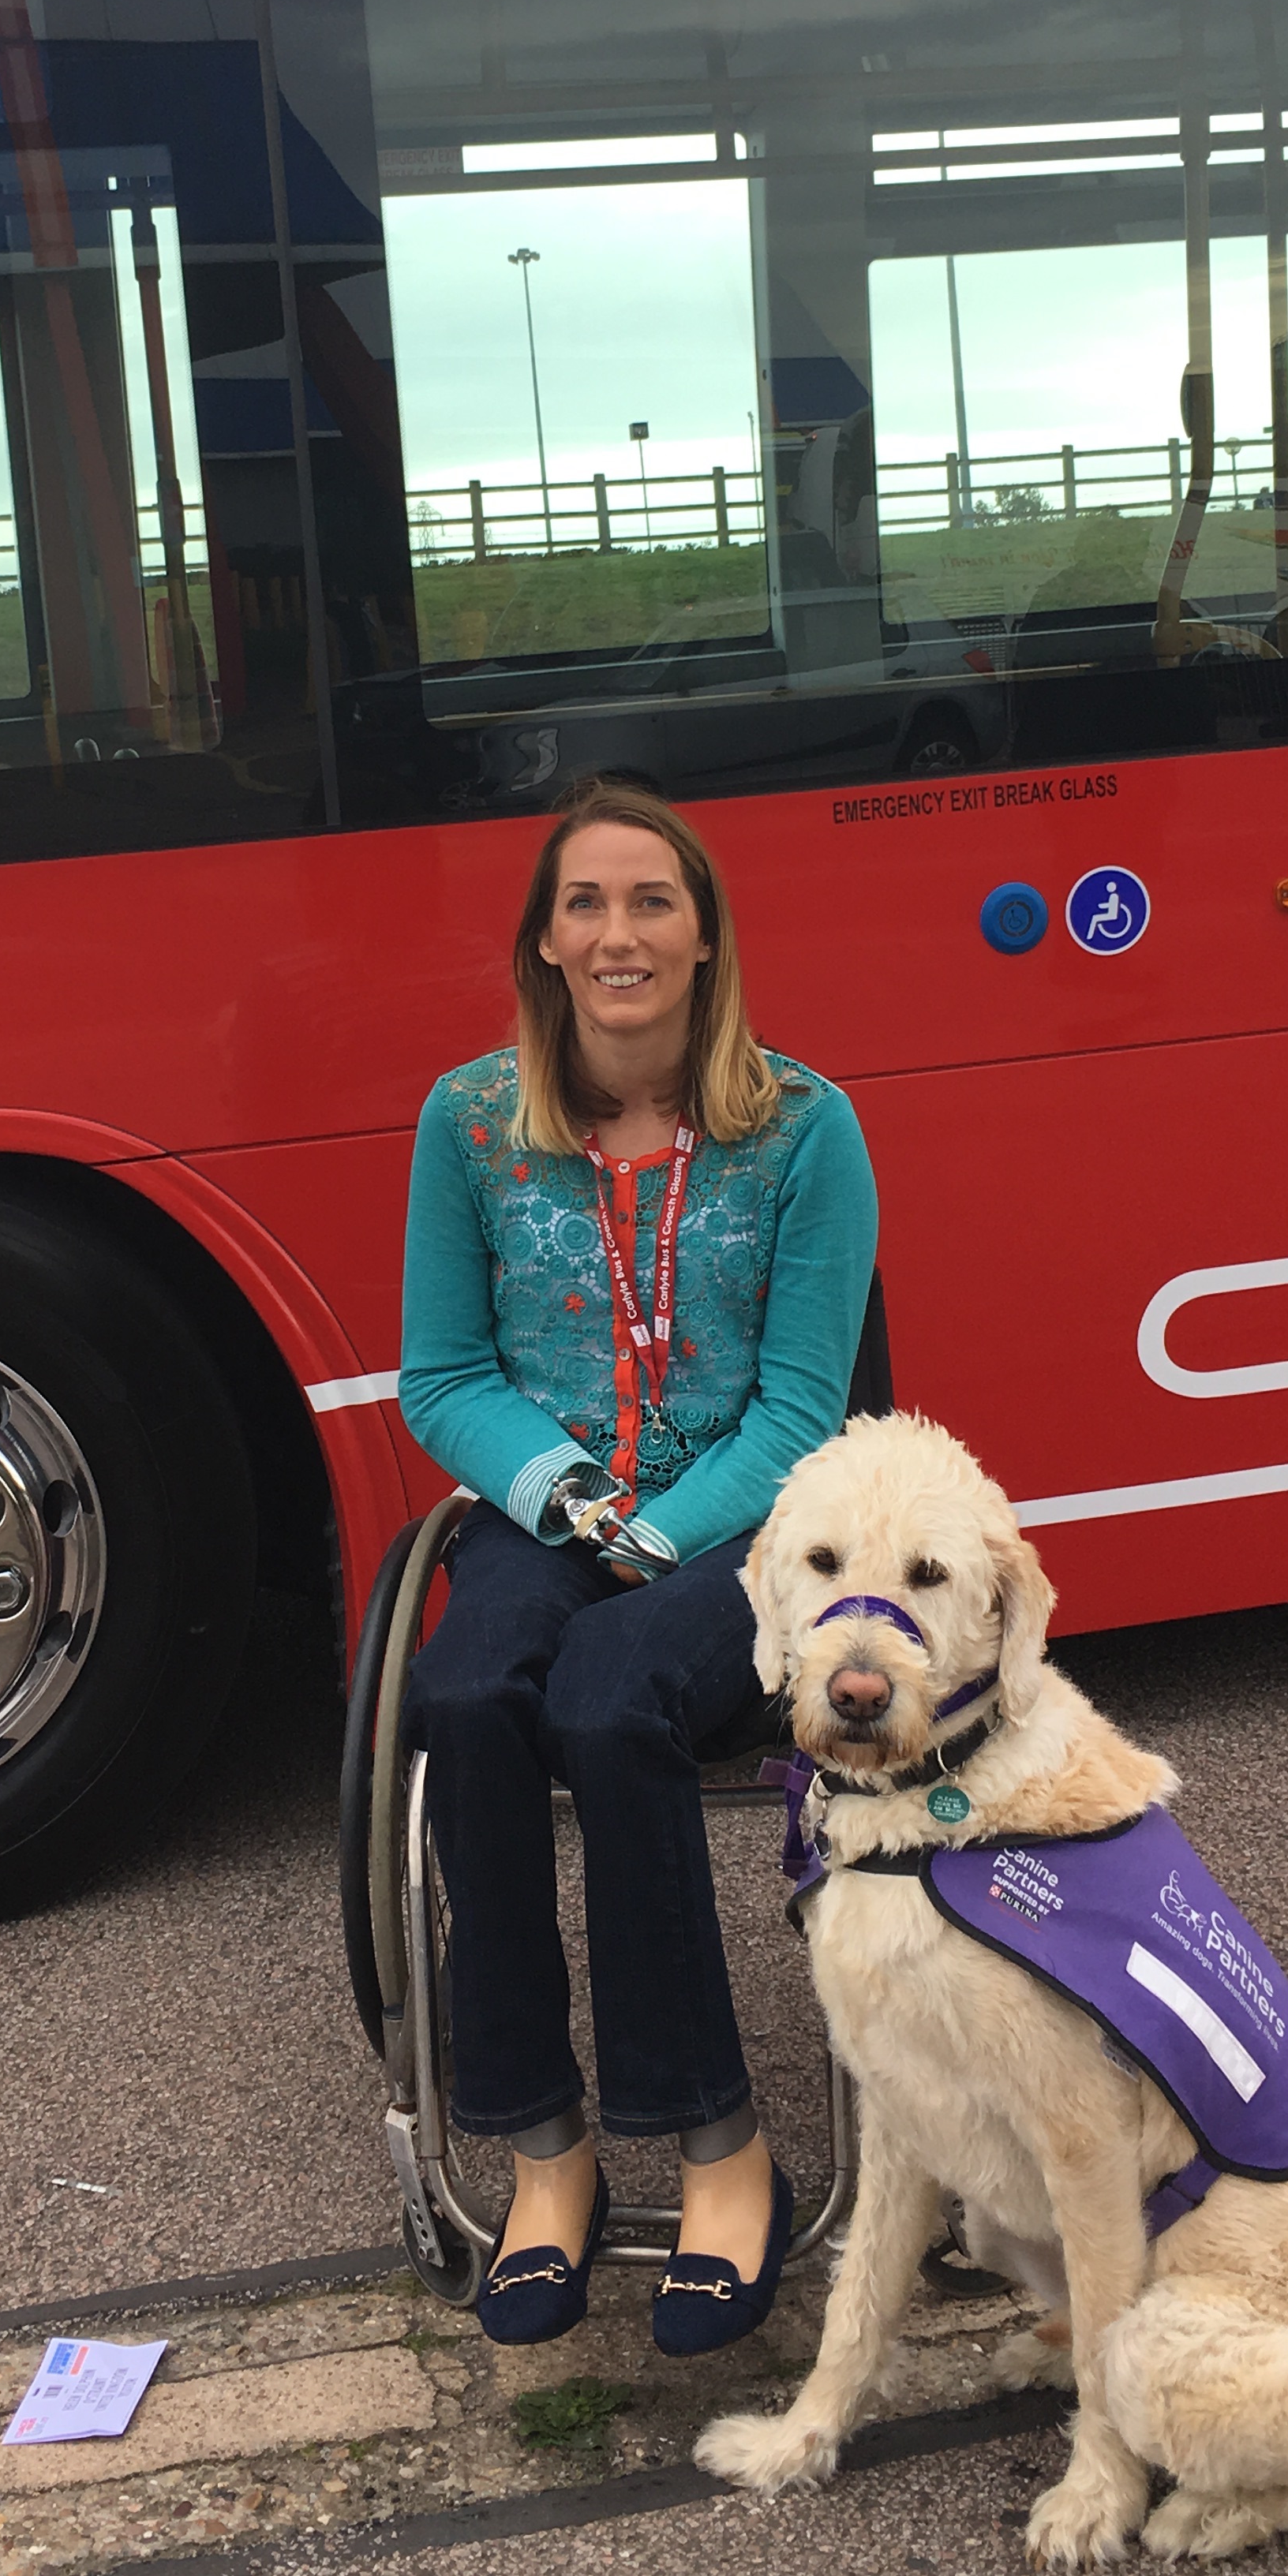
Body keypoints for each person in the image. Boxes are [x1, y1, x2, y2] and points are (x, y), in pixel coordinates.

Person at [399, 778, 878, 2353]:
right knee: (464, 1691)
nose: (620, 932)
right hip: (552, 1507)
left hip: (745, 1523)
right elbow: (443, 1377)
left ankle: (724, 2153)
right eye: (588, 904)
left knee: (611, 1703)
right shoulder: (468, 1124)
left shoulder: (805, 1127)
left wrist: (659, 1532)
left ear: (703, 935)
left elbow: (809, 1406)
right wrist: (569, 1502)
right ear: (546, 940)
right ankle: (549, 2157)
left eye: (652, 901)